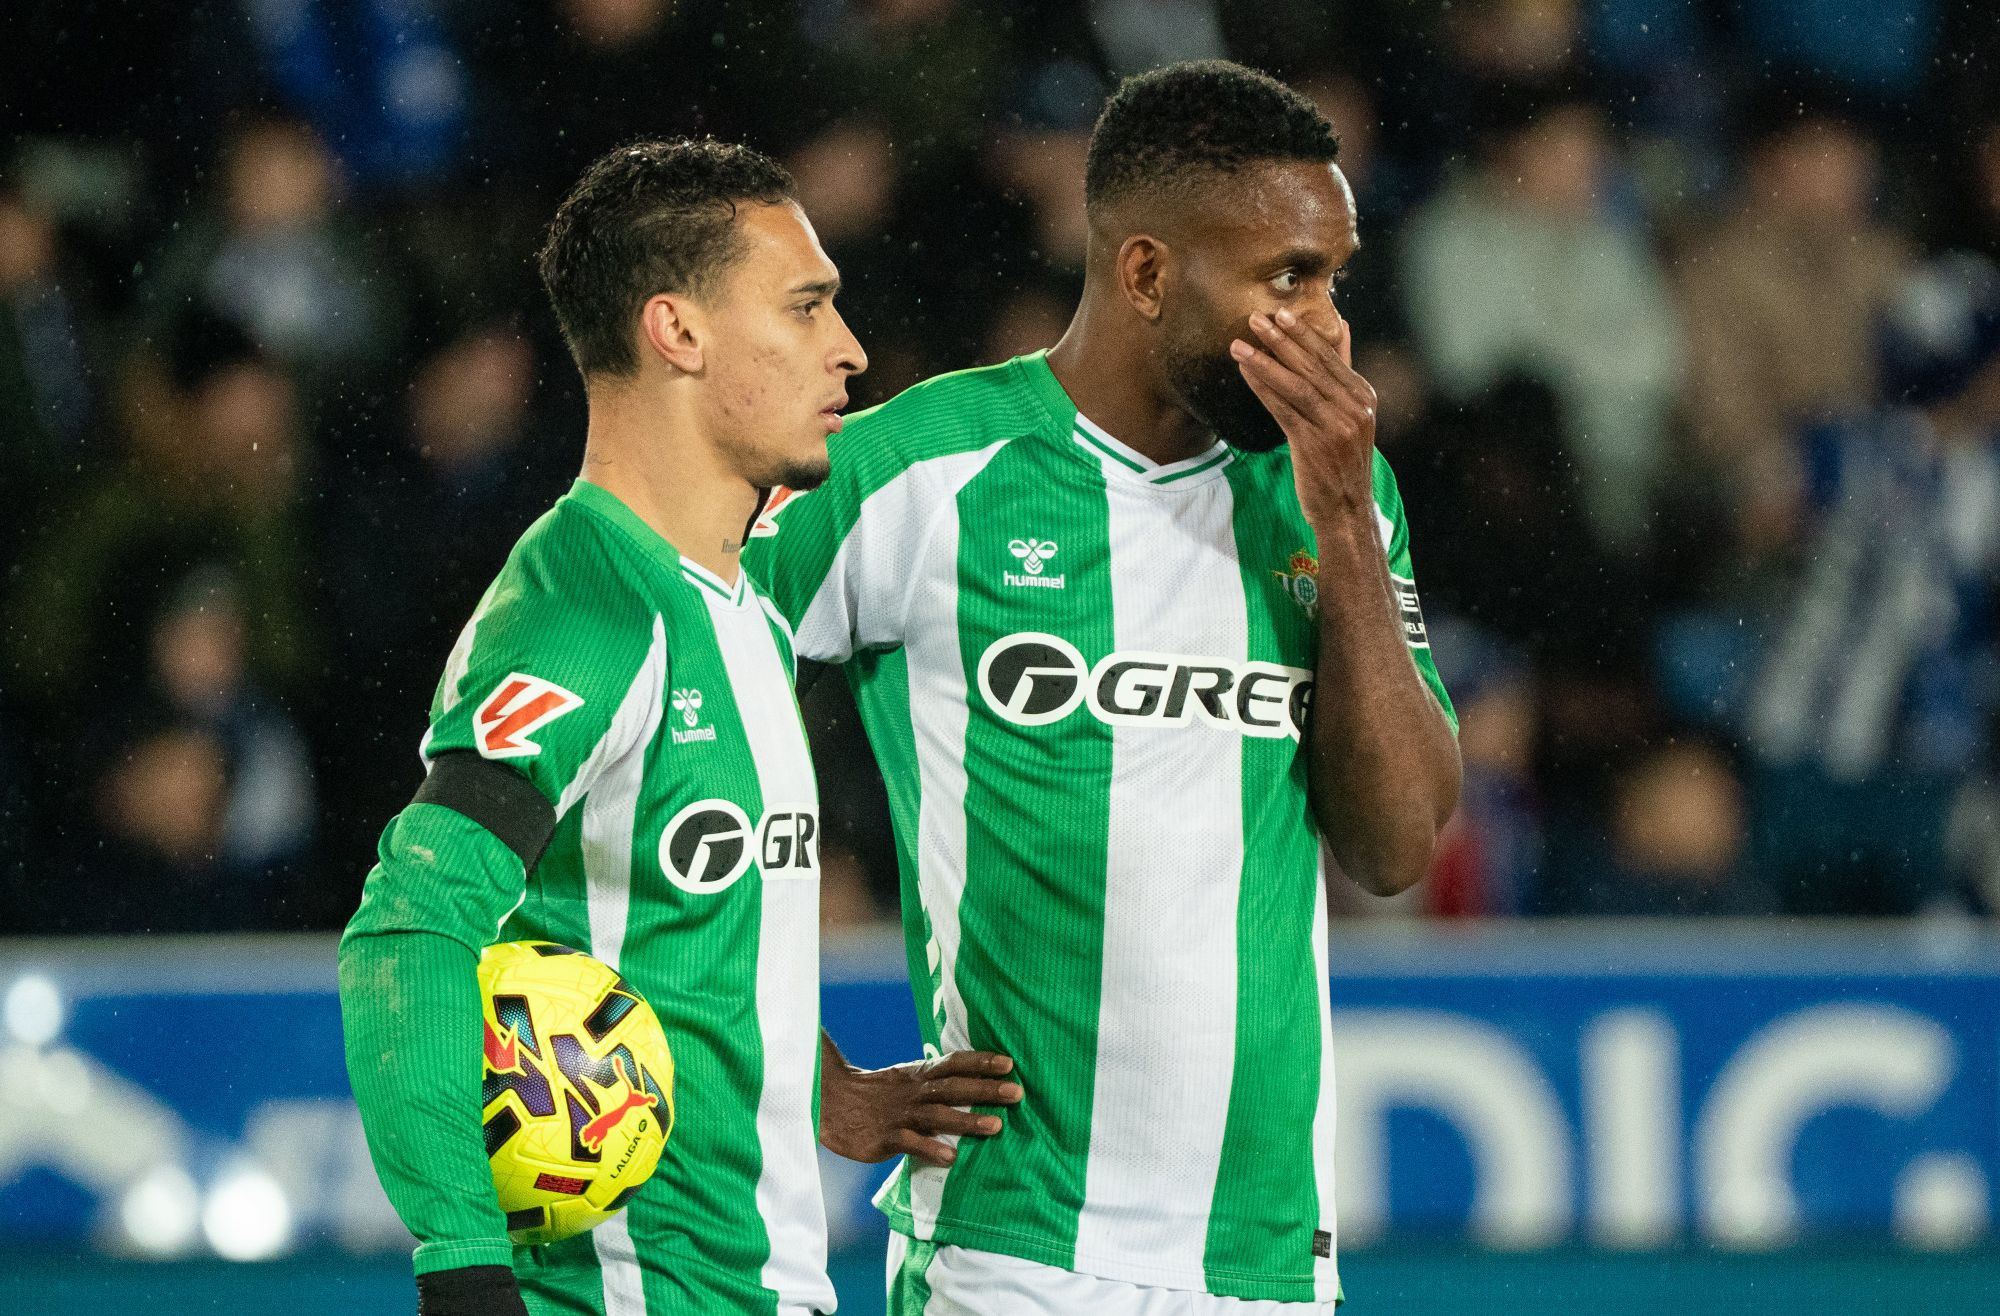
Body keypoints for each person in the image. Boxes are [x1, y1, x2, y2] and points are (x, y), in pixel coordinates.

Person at [746, 62, 1461, 1315]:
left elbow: (1396, 842)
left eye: (1333, 280)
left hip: (1267, 1258)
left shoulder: (1331, 495)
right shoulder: (916, 472)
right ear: (1144, 274)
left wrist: (1347, 522)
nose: (1327, 328)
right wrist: (793, 1070)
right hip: (1013, 1251)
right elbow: (659, 716)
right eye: (1286, 279)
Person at [338, 138, 1016, 1316]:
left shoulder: (737, 602)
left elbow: (673, 927)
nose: (848, 347)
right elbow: (409, 927)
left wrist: (810, 1085)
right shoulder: (585, 611)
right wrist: (462, 1264)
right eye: (804, 306)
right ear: (678, 331)